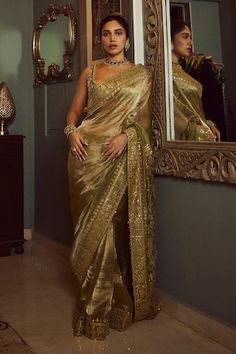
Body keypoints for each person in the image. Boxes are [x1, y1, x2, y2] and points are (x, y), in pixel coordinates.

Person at [64, 14, 159, 340]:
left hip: (117, 158)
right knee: (90, 231)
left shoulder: (141, 76)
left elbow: (144, 123)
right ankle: (104, 305)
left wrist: (127, 137)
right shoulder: (90, 71)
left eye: (118, 33)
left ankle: (97, 310)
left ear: (127, 39)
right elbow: (75, 112)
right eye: (106, 34)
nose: (112, 39)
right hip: (83, 158)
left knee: (110, 231)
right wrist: (71, 131)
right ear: (101, 39)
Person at [171, 19, 221, 141]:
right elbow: (174, 114)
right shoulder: (166, 74)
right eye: (185, 37)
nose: (190, 42)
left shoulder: (183, 69)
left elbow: (194, 109)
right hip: (186, 138)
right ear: (170, 40)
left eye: (190, 38)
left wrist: (206, 124)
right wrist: (200, 130)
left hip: (203, 133)